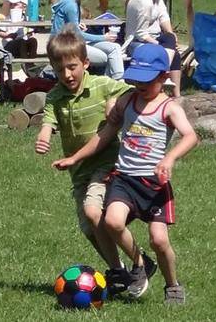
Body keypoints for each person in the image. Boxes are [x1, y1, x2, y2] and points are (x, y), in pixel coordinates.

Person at [53, 43, 200, 305]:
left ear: (163, 77)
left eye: (146, 80)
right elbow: (105, 135)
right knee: (112, 222)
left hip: (154, 184)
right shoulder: (127, 101)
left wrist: (169, 158)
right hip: (124, 179)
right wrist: (75, 158)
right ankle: (139, 264)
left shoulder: (169, 108)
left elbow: (190, 136)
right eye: (136, 79)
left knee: (159, 240)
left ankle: (173, 285)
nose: (139, 85)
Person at [34, 28, 153, 298]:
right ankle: (118, 270)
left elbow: (131, 92)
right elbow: (49, 122)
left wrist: (115, 100)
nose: (67, 75)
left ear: (86, 63)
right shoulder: (55, 96)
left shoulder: (100, 85)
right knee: (89, 228)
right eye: (60, 69)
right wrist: (43, 136)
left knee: (92, 211)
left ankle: (140, 263)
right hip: (78, 172)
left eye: (72, 67)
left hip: (107, 161)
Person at [50, 0, 124, 79]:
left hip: (74, 40)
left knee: (114, 48)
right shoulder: (71, 4)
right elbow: (78, 34)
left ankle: (118, 81)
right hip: (64, 45)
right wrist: (104, 37)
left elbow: (68, 24)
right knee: (105, 57)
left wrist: (77, 25)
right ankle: (112, 82)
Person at [123, 0, 183, 95]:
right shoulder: (142, 0)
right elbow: (140, 33)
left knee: (173, 46)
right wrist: (160, 46)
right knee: (166, 49)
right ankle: (165, 72)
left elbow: (163, 16)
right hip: (137, 41)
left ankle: (177, 95)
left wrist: (171, 34)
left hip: (154, 38)